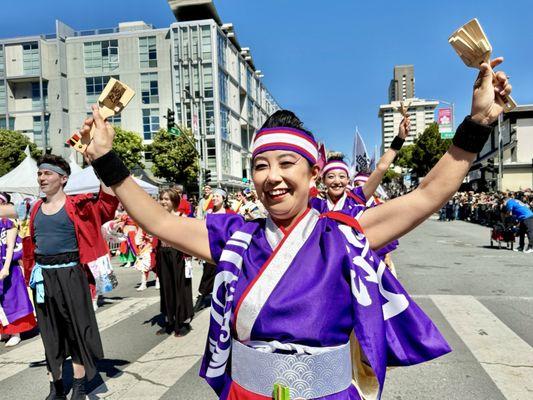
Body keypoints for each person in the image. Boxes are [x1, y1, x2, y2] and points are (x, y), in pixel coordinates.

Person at [82, 57, 511, 399]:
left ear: (313, 175)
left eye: (287, 164)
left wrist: (476, 125)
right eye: (261, 166)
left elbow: (425, 196)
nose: (273, 176)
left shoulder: (344, 233)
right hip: (246, 393)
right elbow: (158, 220)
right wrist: (106, 159)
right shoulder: (237, 236)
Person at [0, 154, 118, 400]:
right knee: (50, 333)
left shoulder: (78, 206)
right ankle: (56, 387)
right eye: (40, 174)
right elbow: (4, 210)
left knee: (76, 331)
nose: (42, 178)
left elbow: (107, 203)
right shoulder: (31, 207)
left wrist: (100, 162)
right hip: (44, 277)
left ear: (63, 179)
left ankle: (79, 384)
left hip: (71, 274)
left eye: (47, 173)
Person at [0, 192, 37, 347]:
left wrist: (6, 267)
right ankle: (4, 330)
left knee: (12, 298)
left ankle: (16, 332)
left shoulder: (9, 222)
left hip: (8, 267)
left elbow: (11, 247)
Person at [156, 189, 194, 336]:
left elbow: (189, 238)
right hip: (163, 254)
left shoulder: (181, 217)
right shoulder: (159, 217)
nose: (163, 201)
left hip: (178, 255)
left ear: (174, 201)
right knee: (166, 288)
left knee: (180, 288)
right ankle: (169, 320)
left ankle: (182, 322)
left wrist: (189, 258)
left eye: (167, 199)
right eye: (162, 199)